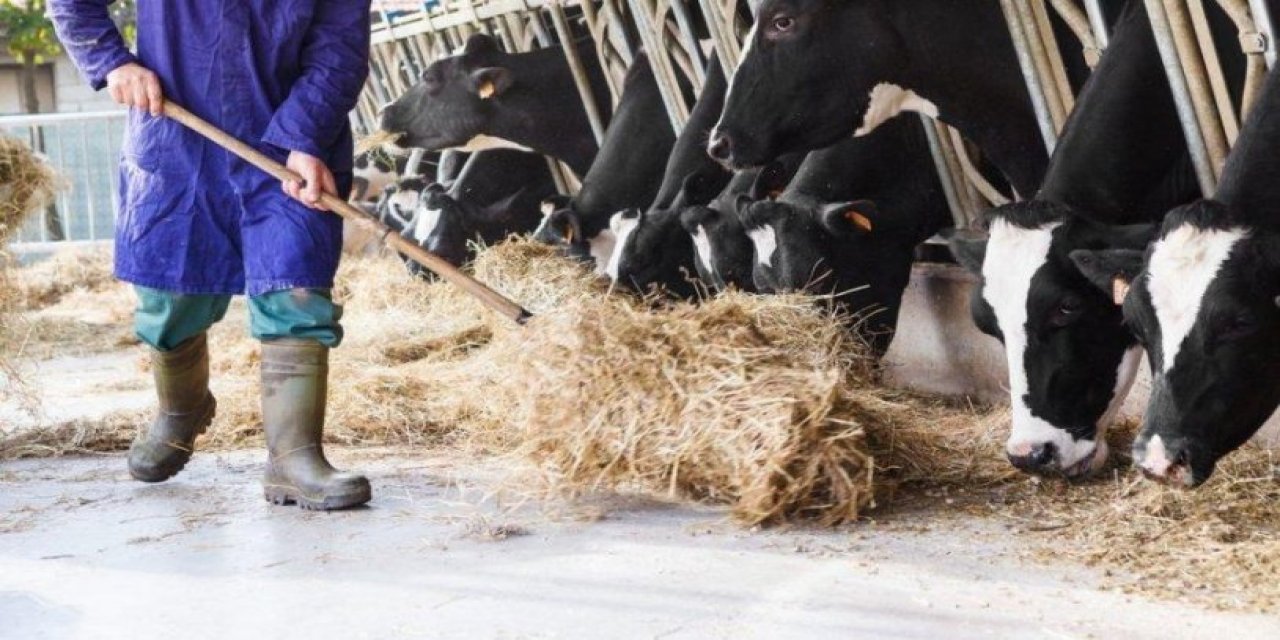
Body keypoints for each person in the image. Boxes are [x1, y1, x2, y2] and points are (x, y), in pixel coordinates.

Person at [49, 1, 374, 510]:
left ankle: (293, 459)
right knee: (170, 299)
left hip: (286, 145)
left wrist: (305, 134)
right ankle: (182, 411)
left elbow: (340, 45)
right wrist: (112, 60)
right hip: (178, 140)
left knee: (297, 287)